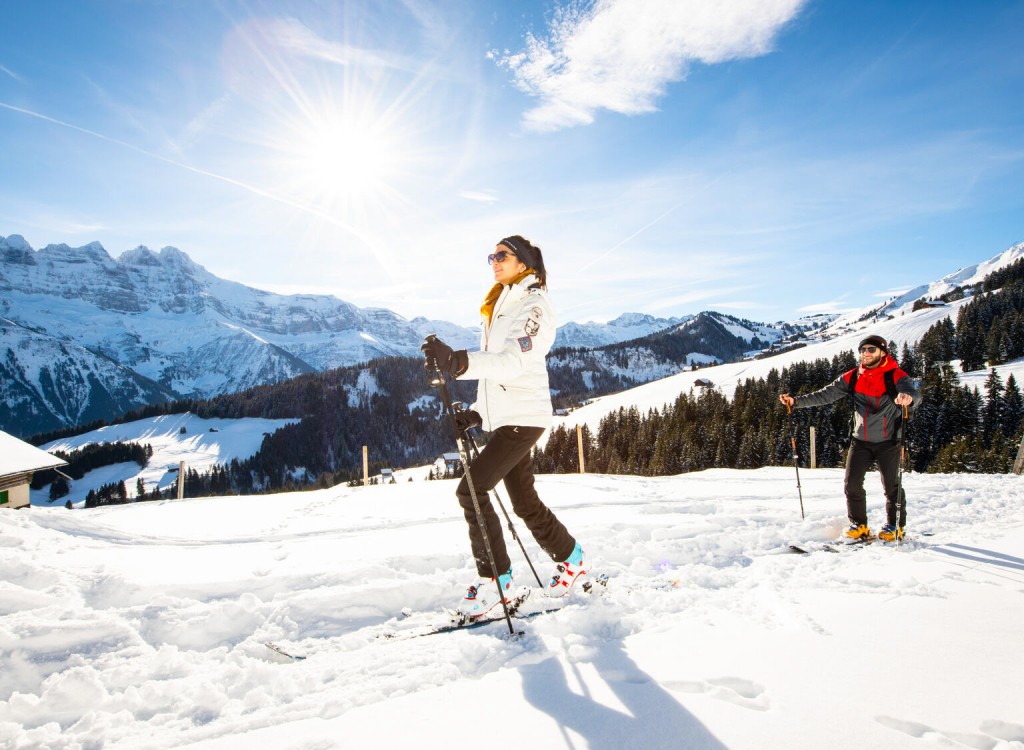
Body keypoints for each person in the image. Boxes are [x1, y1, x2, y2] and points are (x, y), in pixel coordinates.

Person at [421, 236, 588, 619]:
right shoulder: (501, 301)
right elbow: (498, 374)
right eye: (491, 256)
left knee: (472, 489)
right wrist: (479, 413)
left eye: (502, 255)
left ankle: (497, 583)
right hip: (510, 417)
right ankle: (573, 561)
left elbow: (513, 361)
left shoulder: (534, 305)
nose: (493, 261)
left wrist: (459, 363)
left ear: (524, 262)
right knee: (524, 502)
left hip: (524, 420)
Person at [778, 335, 921, 542]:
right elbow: (826, 394)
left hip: (888, 440)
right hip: (860, 440)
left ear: (883, 352)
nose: (866, 354)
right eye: (862, 350)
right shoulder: (853, 376)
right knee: (852, 484)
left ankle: (895, 526)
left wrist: (909, 399)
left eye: (871, 349)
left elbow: (913, 394)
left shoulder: (895, 376)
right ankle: (859, 525)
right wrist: (796, 401)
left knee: (892, 486)